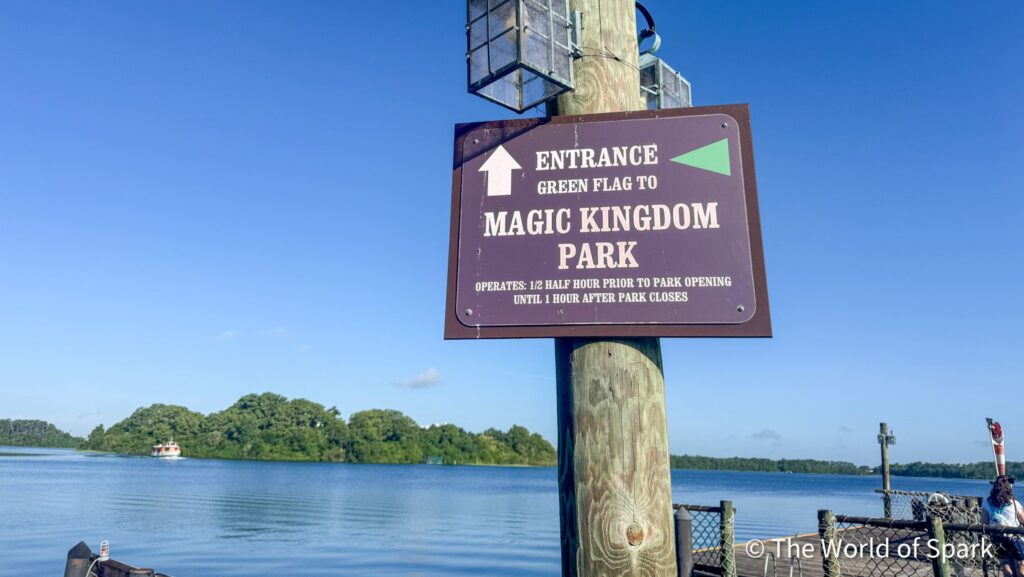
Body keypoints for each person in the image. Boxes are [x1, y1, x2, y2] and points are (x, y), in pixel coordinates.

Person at [981, 475, 1024, 577]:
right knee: (1021, 571)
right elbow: (1023, 520)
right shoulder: (1014, 503)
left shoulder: (986, 503)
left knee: (1007, 571)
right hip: (1015, 540)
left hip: (998, 540)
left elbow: (985, 523)